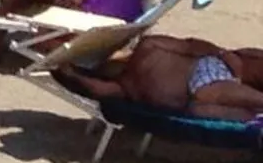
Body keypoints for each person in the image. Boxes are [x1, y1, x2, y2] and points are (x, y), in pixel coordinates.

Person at [63, 35, 263, 123]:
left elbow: (190, 45)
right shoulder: (125, 87)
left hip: (206, 73)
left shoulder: (148, 48)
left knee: (208, 93)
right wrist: (69, 73)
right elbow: (93, 88)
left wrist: (223, 53)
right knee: (204, 106)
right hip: (195, 97)